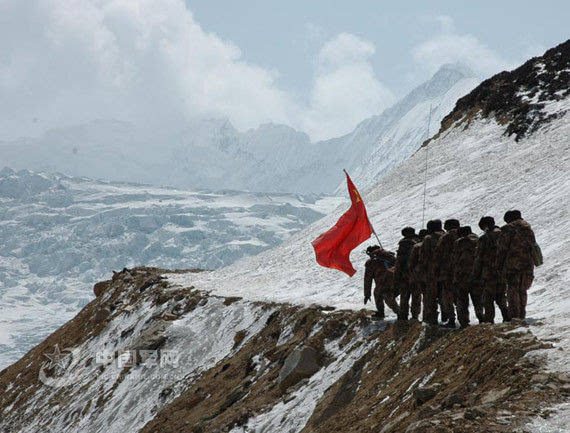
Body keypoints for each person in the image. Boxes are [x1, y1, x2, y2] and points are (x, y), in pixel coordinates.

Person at [496, 210, 538, 320]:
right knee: (522, 290)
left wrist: (499, 265)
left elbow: (502, 250)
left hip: (512, 264)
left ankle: (515, 316)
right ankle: (522, 314)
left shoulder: (507, 230)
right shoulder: (528, 229)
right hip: (527, 264)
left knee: (513, 290)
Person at [473, 216, 509, 323]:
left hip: (489, 273)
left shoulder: (484, 239)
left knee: (488, 298)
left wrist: (476, 275)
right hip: (503, 272)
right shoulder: (504, 235)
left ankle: (489, 321)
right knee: (501, 296)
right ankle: (506, 315)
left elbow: (479, 258)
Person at [453, 226, 482, 327]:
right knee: (478, 299)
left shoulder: (459, 242)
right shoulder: (479, 240)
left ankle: (464, 322)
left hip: (462, 276)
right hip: (477, 275)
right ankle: (481, 317)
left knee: (462, 301)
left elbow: (455, 260)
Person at [434, 219, 461, 327]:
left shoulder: (445, 237)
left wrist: (437, 271)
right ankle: (464, 320)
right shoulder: (464, 235)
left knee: (447, 296)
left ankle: (451, 320)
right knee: (461, 296)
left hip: (448, 272)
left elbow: (437, 255)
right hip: (462, 271)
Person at [419, 219, 445, 325]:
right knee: (445, 295)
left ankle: (433, 318)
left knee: (431, 297)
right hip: (447, 272)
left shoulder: (429, 238)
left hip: (432, 273)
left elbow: (423, 257)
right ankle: (447, 316)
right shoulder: (448, 236)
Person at [364, 247, 400, 319]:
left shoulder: (370, 263)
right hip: (396, 281)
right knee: (387, 296)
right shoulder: (390, 256)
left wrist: (367, 295)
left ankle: (396, 312)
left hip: (382, 284)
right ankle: (399, 312)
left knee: (380, 295)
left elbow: (368, 280)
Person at [394, 227, 419, 320]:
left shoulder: (404, 244)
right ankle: (415, 316)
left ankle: (403, 315)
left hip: (405, 274)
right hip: (417, 274)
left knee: (405, 295)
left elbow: (399, 262)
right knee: (416, 296)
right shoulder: (420, 241)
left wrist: (396, 277)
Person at [408, 229, 428, 320]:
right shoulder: (436, 243)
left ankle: (415, 316)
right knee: (429, 297)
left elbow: (411, 263)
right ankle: (429, 316)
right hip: (432, 275)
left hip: (418, 276)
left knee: (416, 297)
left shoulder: (417, 247)